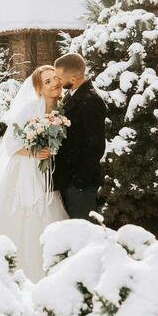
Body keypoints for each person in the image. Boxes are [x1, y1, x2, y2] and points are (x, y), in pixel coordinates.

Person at [0, 65, 69, 280]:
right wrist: (34, 152)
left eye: (55, 78)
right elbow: (10, 144)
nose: (54, 83)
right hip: (26, 170)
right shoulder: (30, 109)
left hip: (53, 173)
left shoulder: (65, 107)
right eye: (47, 81)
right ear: (39, 89)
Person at [51, 52, 106, 222]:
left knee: (84, 235)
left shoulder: (91, 100)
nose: (57, 82)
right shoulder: (72, 95)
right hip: (68, 180)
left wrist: (78, 183)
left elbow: (95, 146)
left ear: (73, 78)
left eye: (59, 78)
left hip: (80, 185)